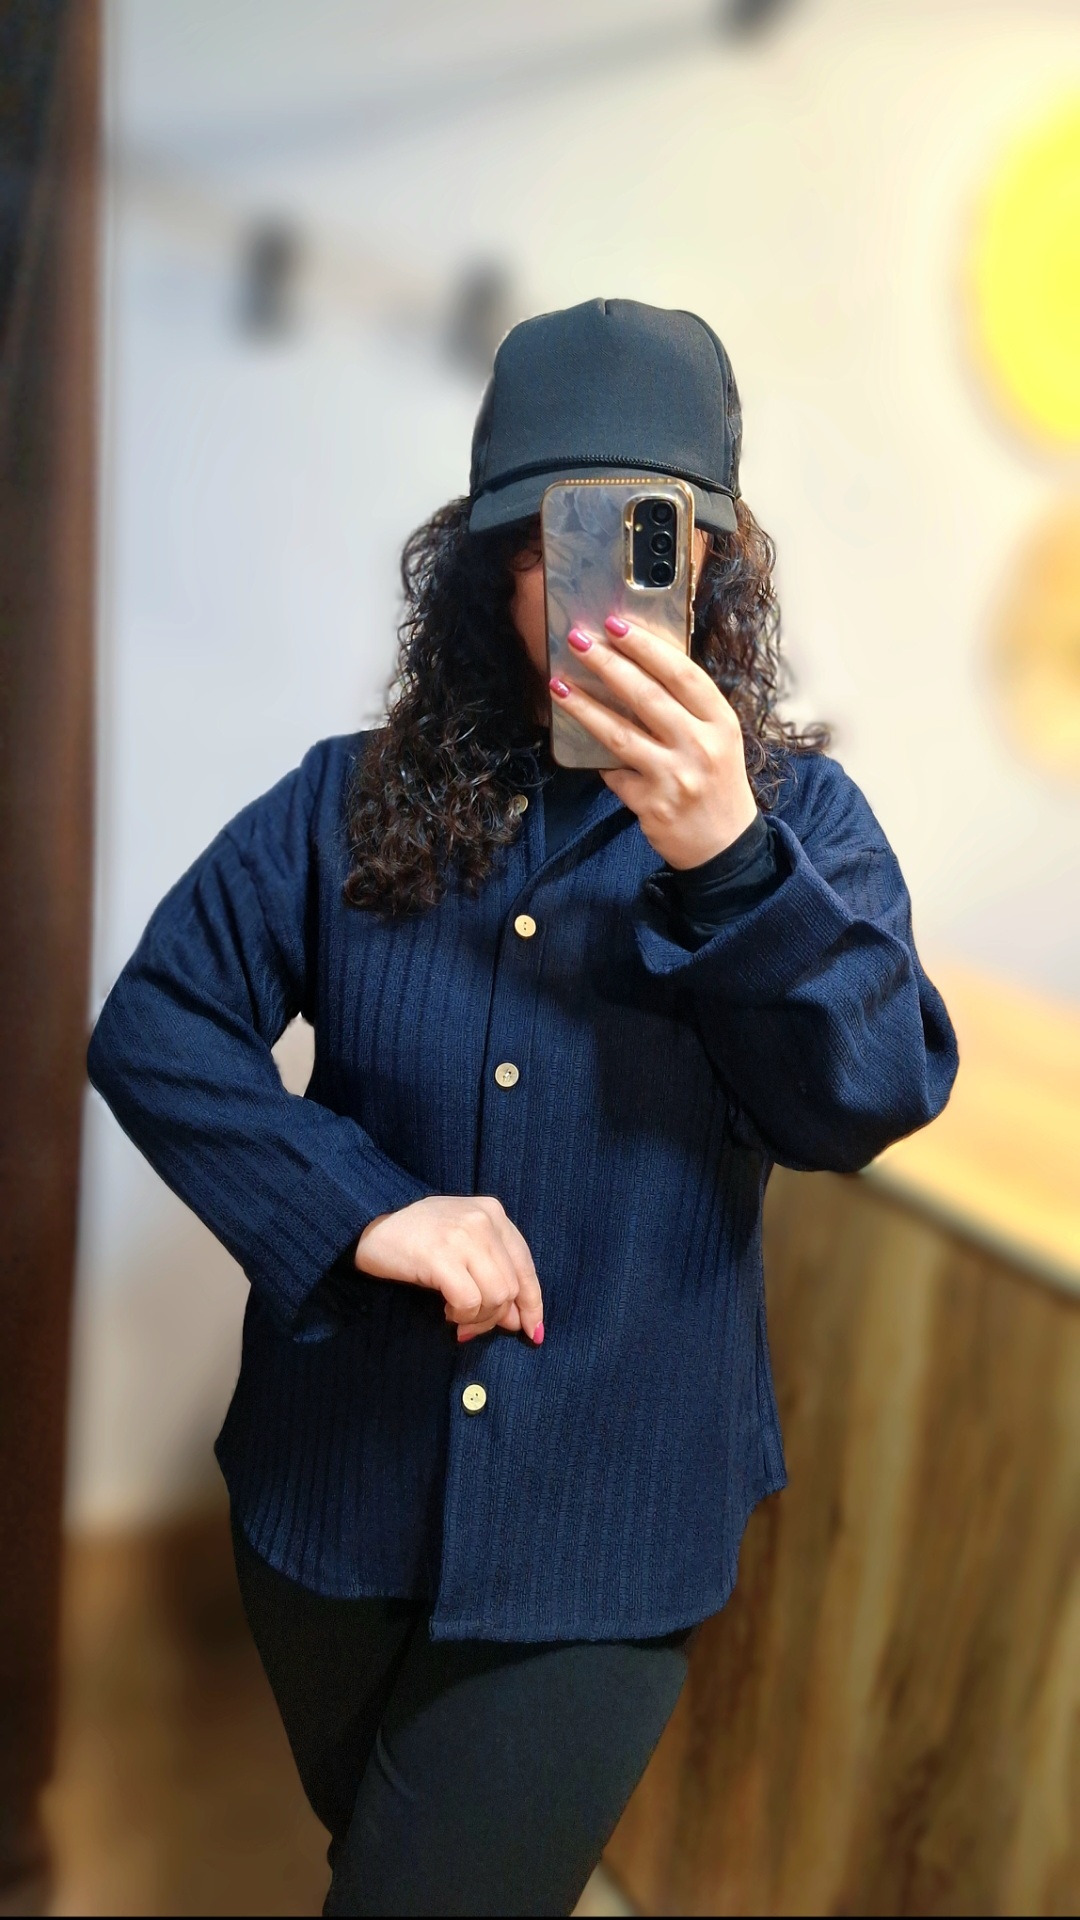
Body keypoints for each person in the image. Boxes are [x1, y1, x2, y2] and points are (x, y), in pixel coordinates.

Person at [86, 297, 959, 1917]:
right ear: (493, 564)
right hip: (328, 1505)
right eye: (561, 539)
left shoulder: (806, 826)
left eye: (650, 542)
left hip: (609, 1534)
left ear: (712, 565)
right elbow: (157, 1024)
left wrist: (729, 864)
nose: (598, 593)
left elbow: (867, 1095)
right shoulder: (343, 802)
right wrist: (365, 1205)